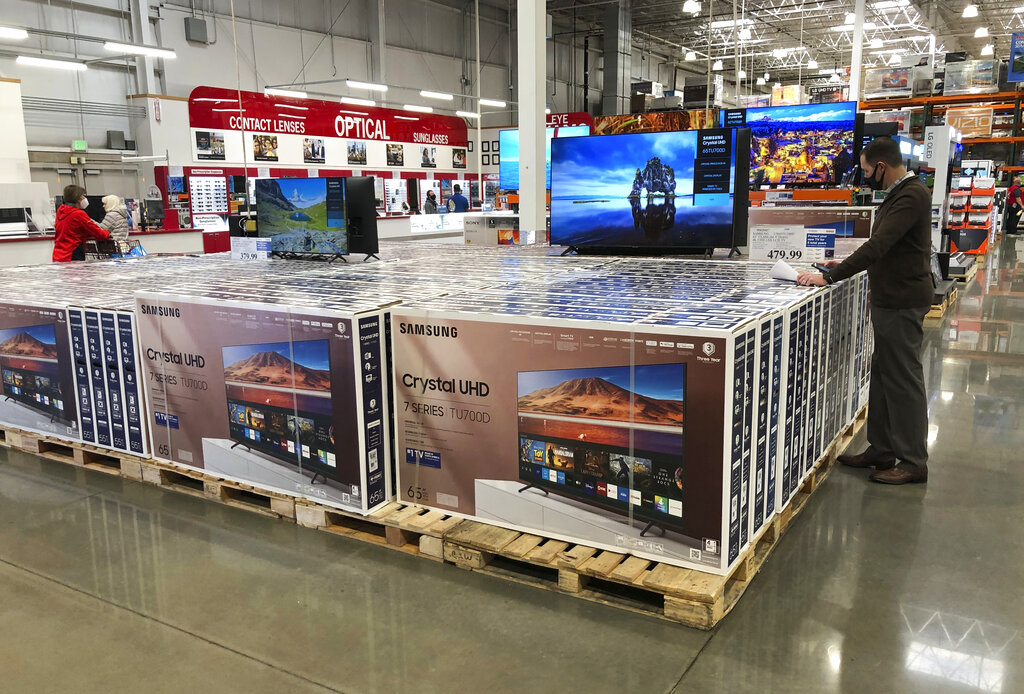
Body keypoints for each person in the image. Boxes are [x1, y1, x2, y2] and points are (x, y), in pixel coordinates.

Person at [797, 137, 931, 485]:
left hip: (902, 301)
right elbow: (888, 249)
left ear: (882, 168)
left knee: (903, 380)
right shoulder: (900, 194)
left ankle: (914, 461)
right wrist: (840, 262)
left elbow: (879, 244)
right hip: (890, 298)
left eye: (868, 170)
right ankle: (882, 449)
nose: (866, 176)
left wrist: (830, 276)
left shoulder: (911, 195)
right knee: (884, 376)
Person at [53, 185, 111, 262]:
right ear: (78, 198)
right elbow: (98, 233)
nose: (84, 198)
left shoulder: (61, 211)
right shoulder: (78, 214)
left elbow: (71, 230)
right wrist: (107, 233)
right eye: (83, 196)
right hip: (72, 254)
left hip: (58, 254)